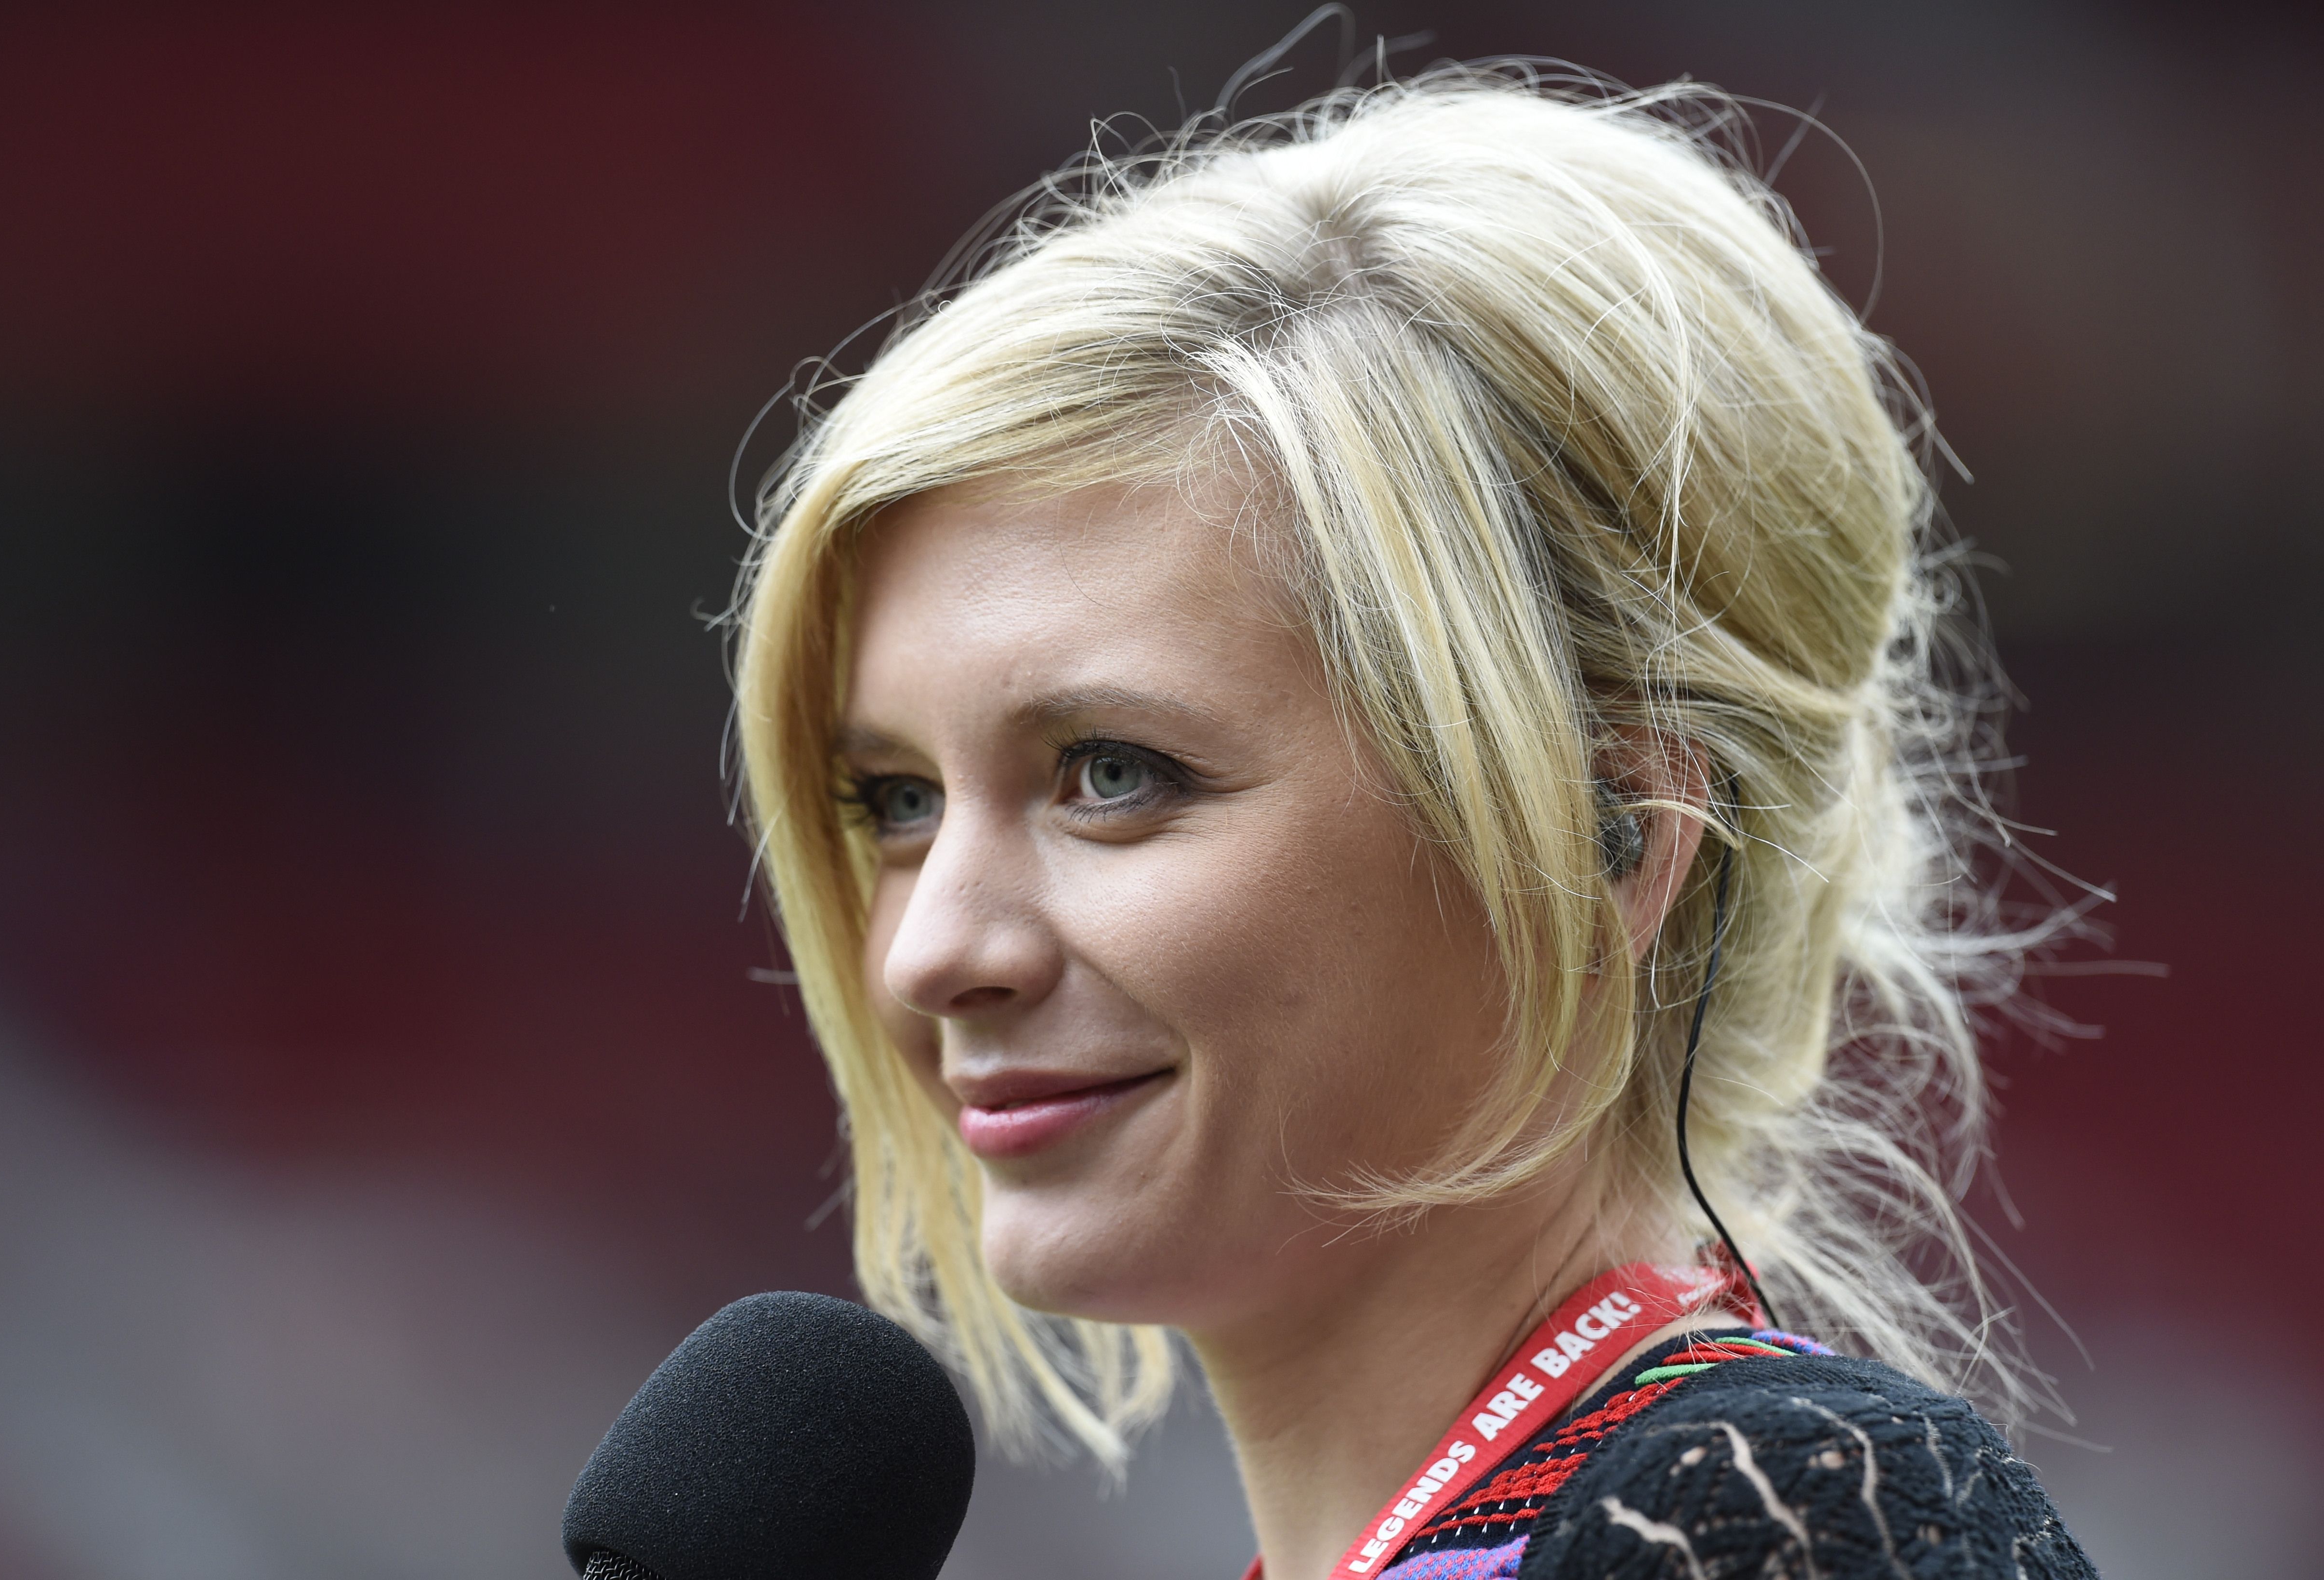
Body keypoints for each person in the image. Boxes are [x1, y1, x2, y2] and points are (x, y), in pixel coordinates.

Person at [728, 58, 2095, 1580]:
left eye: (1113, 774)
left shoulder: (1774, 1526)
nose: (929, 953)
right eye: (897, 801)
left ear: (1607, 837)